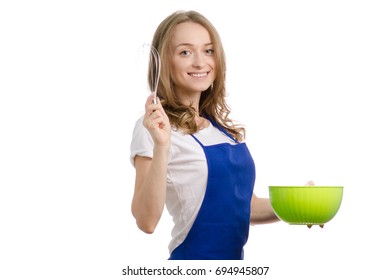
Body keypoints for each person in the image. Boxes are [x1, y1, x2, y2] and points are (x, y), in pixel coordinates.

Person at [130, 10, 309, 260]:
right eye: (185, 52)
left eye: (209, 50)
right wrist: (162, 146)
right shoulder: (153, 127)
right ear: (164, 63)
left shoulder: (221, 130)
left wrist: (303, 205)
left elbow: (246, 208)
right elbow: (145, 221)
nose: (200, 62)